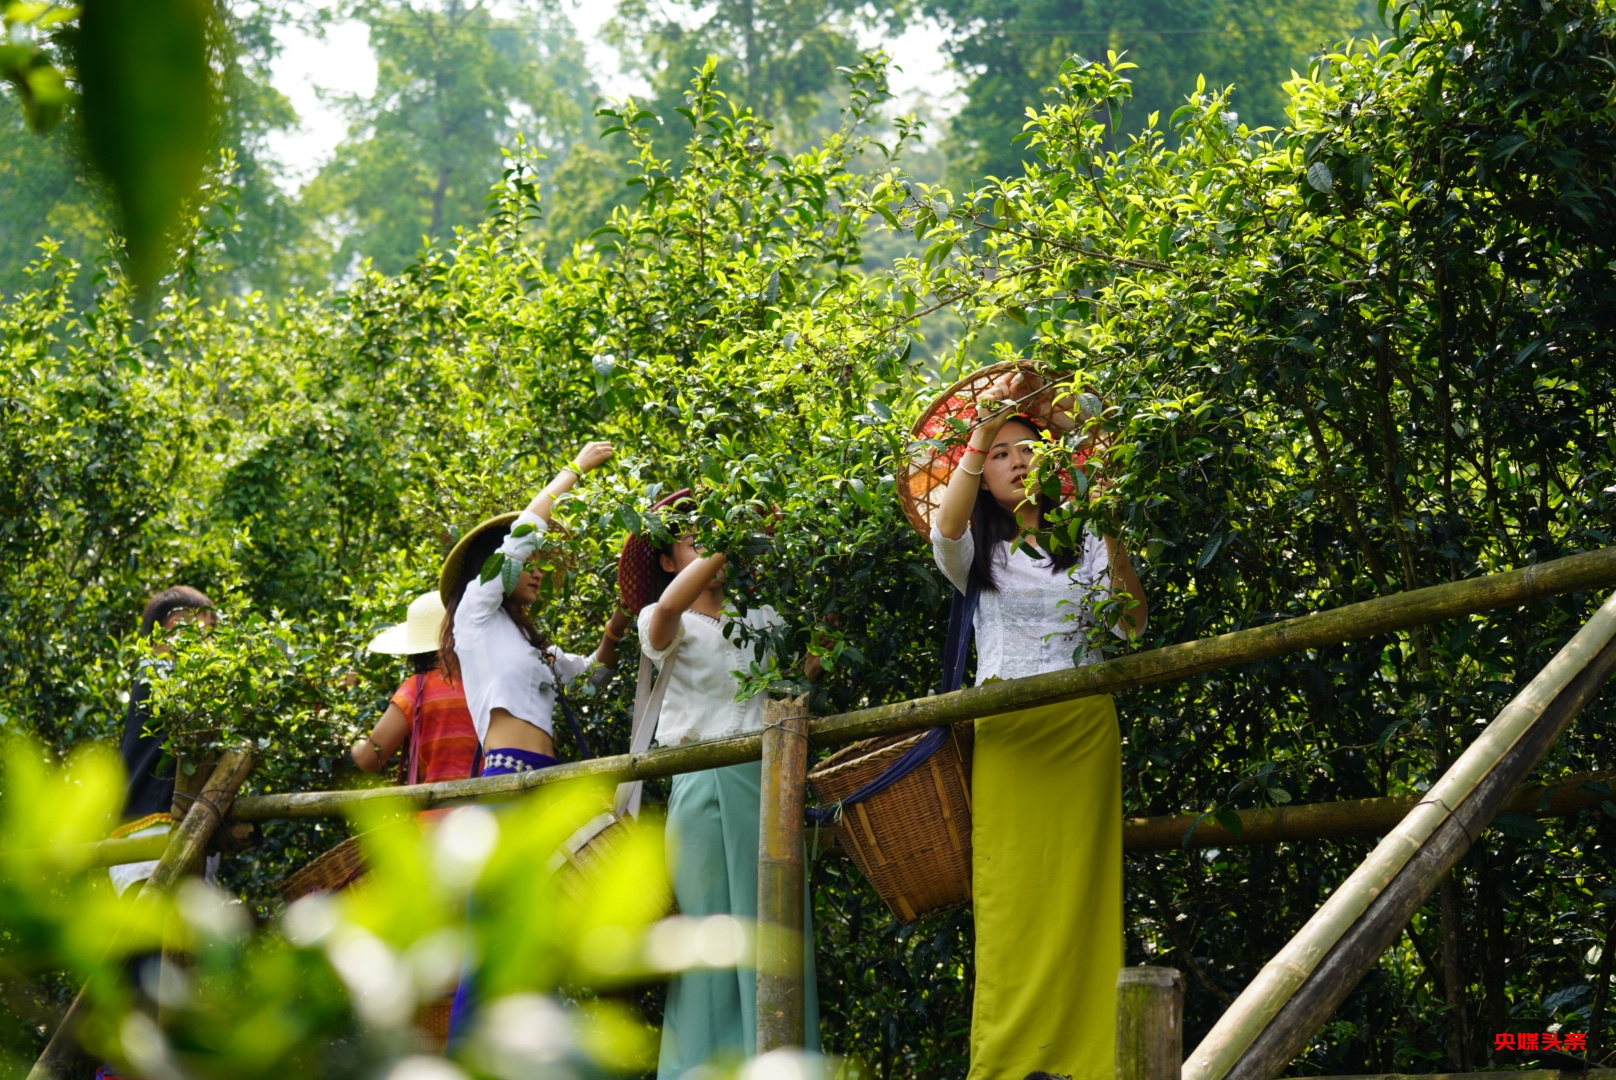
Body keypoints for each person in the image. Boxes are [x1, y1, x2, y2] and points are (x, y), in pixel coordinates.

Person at [929, 369, 1147, 1080]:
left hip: (1083, 730)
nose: (1017, 461)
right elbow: (946, 525)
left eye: (1029, 448)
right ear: (981, 470)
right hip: (1009, 738)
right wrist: (982, 428)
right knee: (1010, 898)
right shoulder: (974, 554)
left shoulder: (1086, 538)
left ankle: (1093, 1062)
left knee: (1085, 892)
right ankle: (1007, 1064)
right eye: (1001, 453)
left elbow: (1131, 624)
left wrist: (1105, 514)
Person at [625, 491, 821, 1078]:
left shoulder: (763, 618)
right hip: (702, 789)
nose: (713, 547)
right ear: (668, 560)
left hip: (769, 783)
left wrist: (817, 660)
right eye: (696, 539)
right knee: (707, 942)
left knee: (777, 934)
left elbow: (782, 691)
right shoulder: (663, 617)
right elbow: (669, 608)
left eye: (719, 535)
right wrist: (730, 540)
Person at [439, 441, 630, 1040]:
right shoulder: (475, 618)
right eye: (532, 562)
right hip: (504, 784)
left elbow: (592, 679)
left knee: (539, 943)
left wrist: (618, 624)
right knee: (489, 942)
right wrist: (574, 469)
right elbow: (521, 535)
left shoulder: (531, 647)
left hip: (547, 791)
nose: (540, 568)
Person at [108, 586, 220, 897]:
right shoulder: (161, 672)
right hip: (153, 837)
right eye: (208, 631)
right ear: (176, 627)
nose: (214, 645)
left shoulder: (161, 675)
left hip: (166, 839)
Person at [350, 590, 481, 787]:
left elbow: (369, 758)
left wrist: (354, 744)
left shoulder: (417, 689)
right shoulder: (488, 681)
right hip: (494, 803)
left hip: (440, 805)